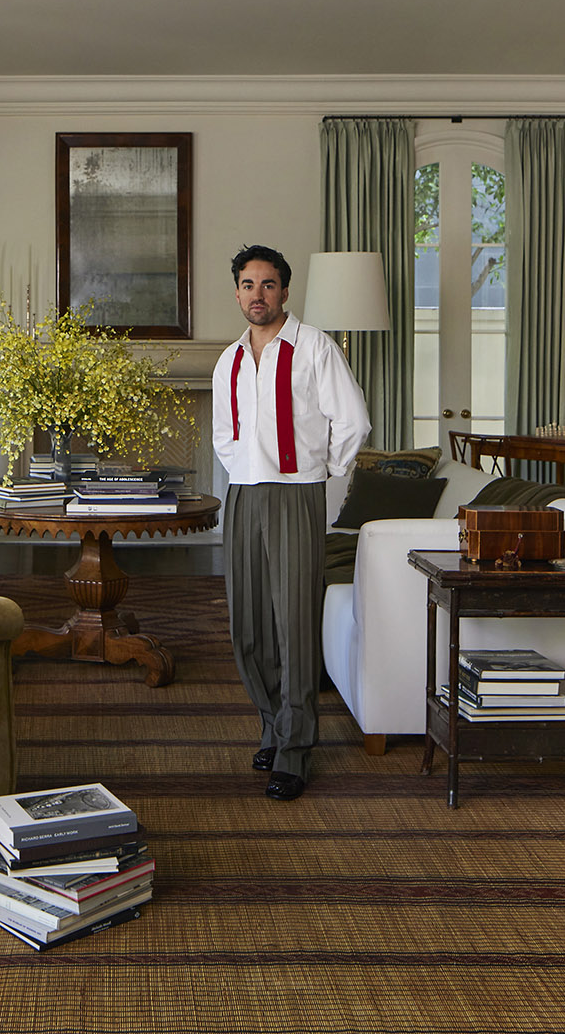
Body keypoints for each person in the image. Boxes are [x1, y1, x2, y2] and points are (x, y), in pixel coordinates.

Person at [212, 245, 370, 801]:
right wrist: (246, 471)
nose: (259, 294)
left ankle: (296, 746)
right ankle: (273, 724)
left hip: (296, 496)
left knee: (294, 620)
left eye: (269, 284)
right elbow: (223, 435)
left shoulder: (314, 348)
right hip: (244, 496)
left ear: (285, 290)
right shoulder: (228, 359)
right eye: (249, 284)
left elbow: (352, 421)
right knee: (248, 622)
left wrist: (318, 470)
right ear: (237, 292)